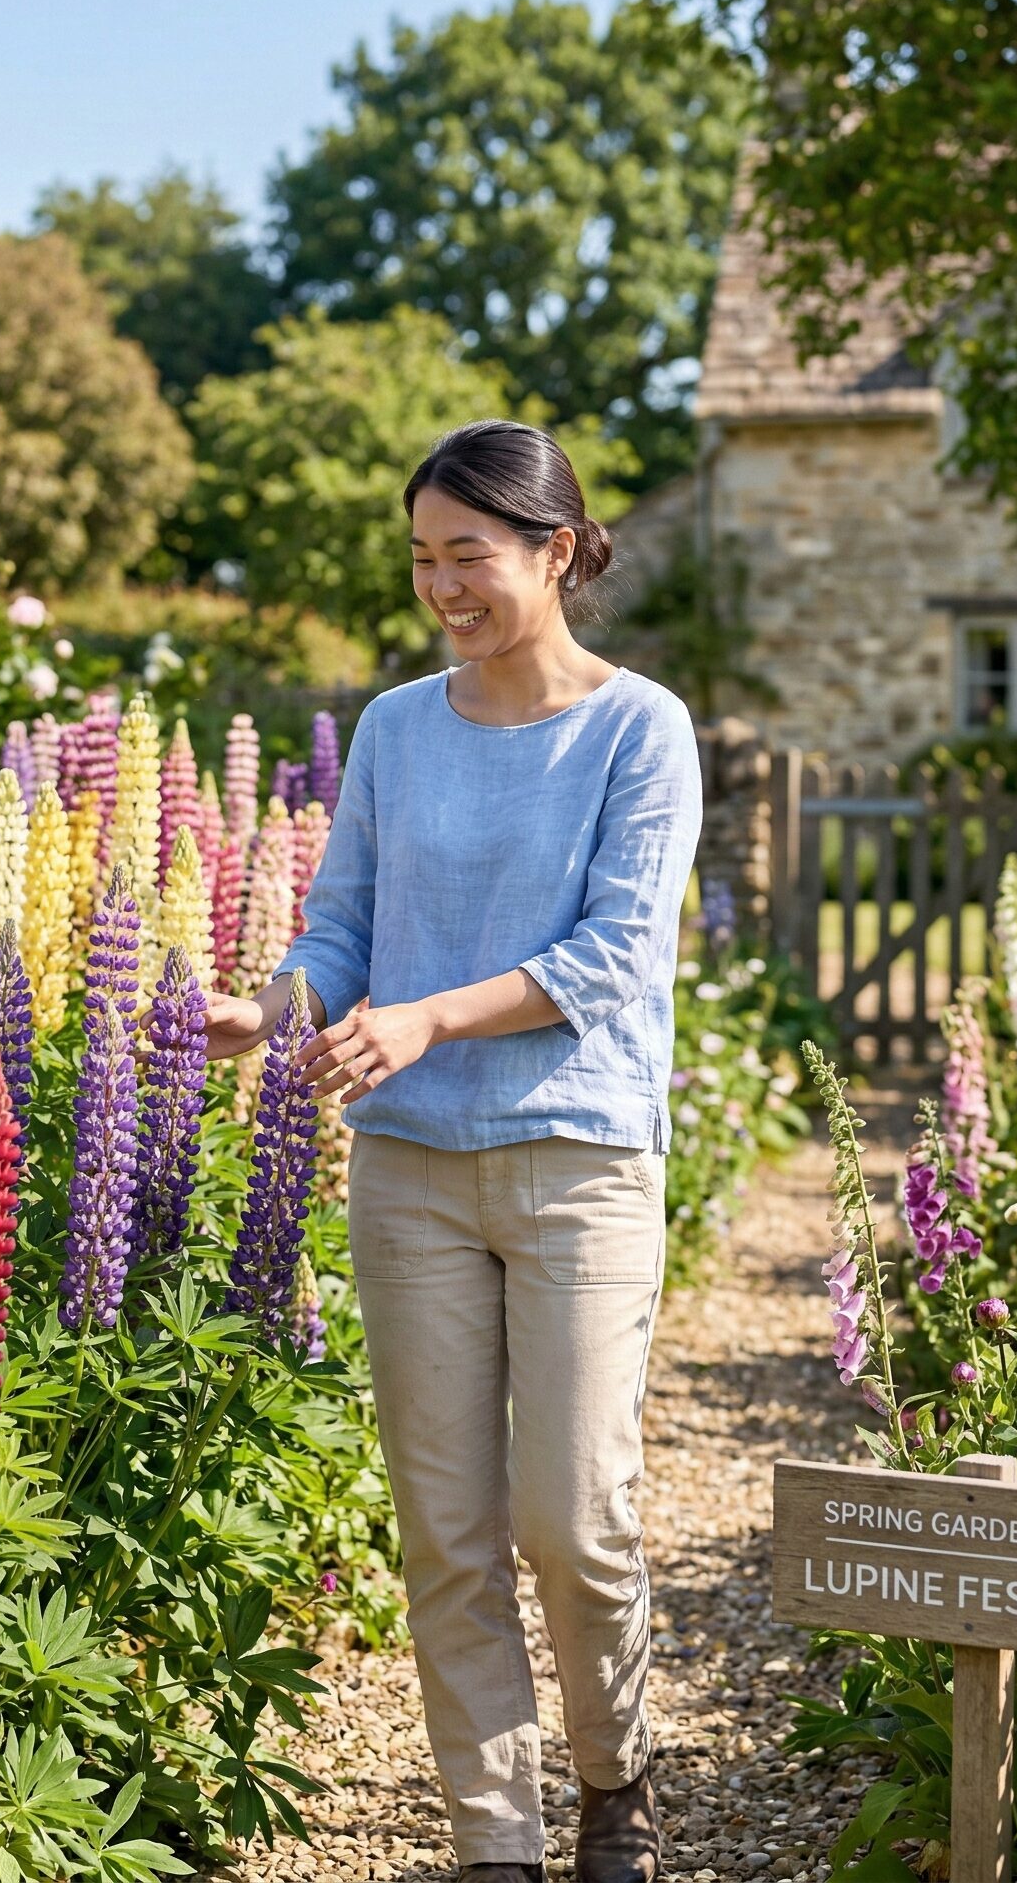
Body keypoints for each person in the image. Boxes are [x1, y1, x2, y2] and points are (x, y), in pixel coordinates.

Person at [207, 419, 701, 1883]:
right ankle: (497, 1842)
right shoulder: (398, 729)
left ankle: (616, 1776)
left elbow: (614, 955)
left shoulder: (638, 728)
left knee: (572, 1517)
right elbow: (343, 926)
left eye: (467, 555)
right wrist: (269, 1006)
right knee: (447, 1531)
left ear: (556, 550)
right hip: (409, 1169)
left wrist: (422, 1020)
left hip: (578, 1162)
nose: (441, 587)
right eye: (423, 558)